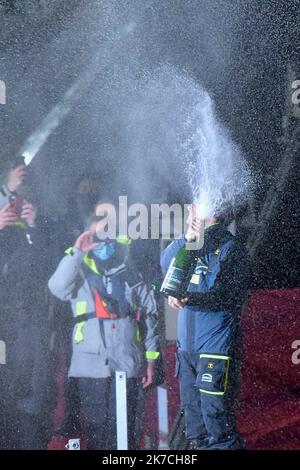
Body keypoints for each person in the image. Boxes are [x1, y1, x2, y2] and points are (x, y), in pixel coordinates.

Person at [48, 215, 160, 450]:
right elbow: (57, 288)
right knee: (97, 429)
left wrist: (150, 360)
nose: (103, 243)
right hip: (90, 367)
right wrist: (77, 252)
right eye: (96, 237)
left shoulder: (131, 273)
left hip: (127, 363)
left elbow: (149, 318)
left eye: (107, 236)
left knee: (126, 429)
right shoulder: (77, 270)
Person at [160, 203, 250, 450]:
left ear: (213, 210)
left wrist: (191, 298)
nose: (191, 209)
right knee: (195, 428)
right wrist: (189, 237)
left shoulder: (231, 247)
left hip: (215, 346)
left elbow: (225, 293)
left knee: (216, 423)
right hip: (187, 349)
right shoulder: (189, 243)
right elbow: (166, 264)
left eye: (197, 206)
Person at [0, 164, 53, 449]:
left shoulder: (38, 231)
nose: (18, 204)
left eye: (23, 199)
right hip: (3, 323)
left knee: (32, 390)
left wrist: (33, 226)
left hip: (31, 321)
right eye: (13, 197)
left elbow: (47, 269)